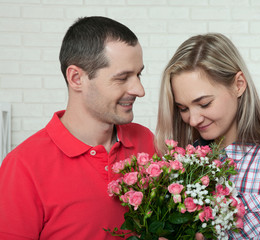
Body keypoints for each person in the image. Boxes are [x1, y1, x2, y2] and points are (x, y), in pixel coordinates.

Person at [0, 16, 156, 240]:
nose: (139, 90)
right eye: (122, 78)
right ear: (76, 78)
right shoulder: (23, 166)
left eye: (138, 74)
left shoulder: (146, 141)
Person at [155, 33, 260, 239]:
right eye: (183, 108)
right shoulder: (179, 165)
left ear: (238, 84)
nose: (192, 120)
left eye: (204, 104)